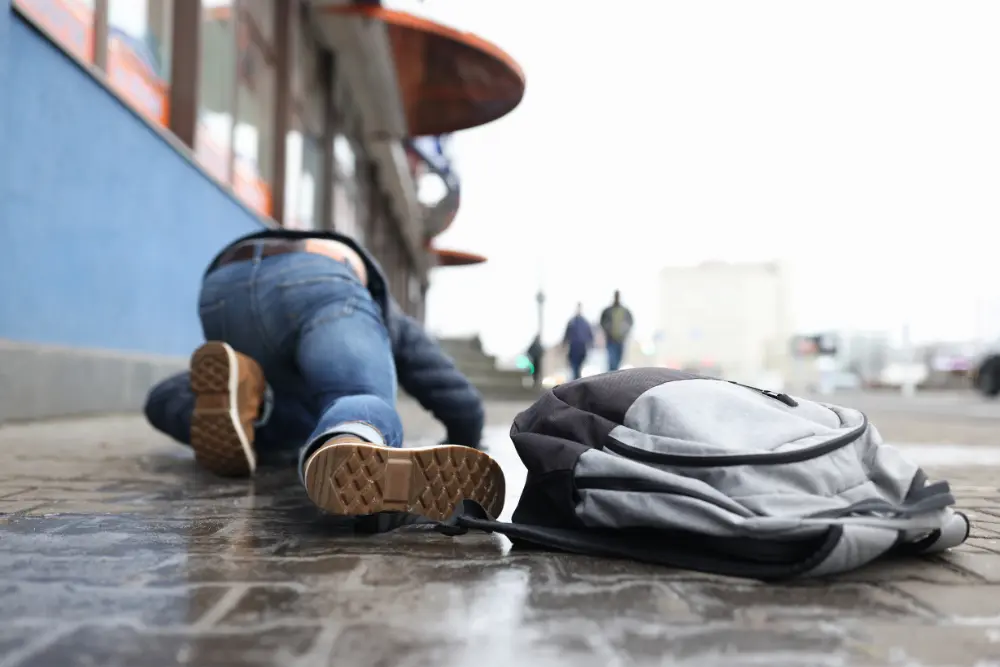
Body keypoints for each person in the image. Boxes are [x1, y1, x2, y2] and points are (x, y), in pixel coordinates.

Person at [143, 230, 505, 525]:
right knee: (357, 395)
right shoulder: (385, 312)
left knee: (171, 399)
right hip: (318, 279)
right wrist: (466, 439)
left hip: (222, 289)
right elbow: (458, 399)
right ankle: (351, 438)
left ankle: (252, 403)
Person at [599, 290, 634, 372]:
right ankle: (612, 377)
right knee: (612, 361)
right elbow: (602, 322)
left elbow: (630, 322)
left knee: (618, 360)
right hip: (611, 340)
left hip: (621, 340)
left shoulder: (625, 311)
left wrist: (625, 332)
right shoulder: (607, 311)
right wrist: (607, 330)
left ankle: (615, 374)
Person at [562, 303, 594, 380]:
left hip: (581, 348)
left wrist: (590, 343)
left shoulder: (584, 322)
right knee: (575, 366)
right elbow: (567, 334)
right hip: (574, 347)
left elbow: (590, 335)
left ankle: (576, 379)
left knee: (578, 366)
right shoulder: (573, 322)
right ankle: (576, 379)